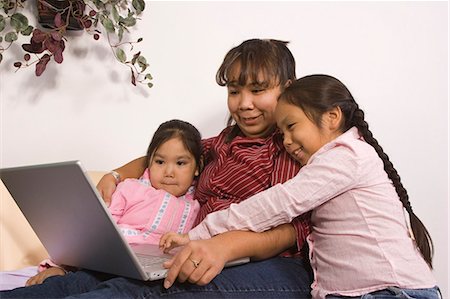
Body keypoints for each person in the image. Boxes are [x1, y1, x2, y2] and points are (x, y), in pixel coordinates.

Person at [0, 39, 313, 298]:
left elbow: (291, 231)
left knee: (136, 292)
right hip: (201, 250)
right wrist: (115, 175)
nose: (243, 104)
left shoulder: (289, 144)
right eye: (234, 91)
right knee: (72, 285)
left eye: (257, 91)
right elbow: (162, 154)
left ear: (287, 88)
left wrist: (222, 247)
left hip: (274, 264)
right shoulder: (222, 143)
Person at [161, 75, 441, 299]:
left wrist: (201, 233)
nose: (287, 140)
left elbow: (278, 204)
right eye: (282, 133)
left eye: (292, 126)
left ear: (332, 117)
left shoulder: (347, 156)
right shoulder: (332, 161)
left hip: (390, 291)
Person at [12, 119, 203, 288]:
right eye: (160, 162)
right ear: (149, 162)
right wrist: (60, 266)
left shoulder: (197, 206)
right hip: (102, 266)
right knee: (64, 286)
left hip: (151, 278)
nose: (169, 171)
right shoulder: (130, 189)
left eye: (180, 163)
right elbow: (92, 233)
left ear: (197, 167)